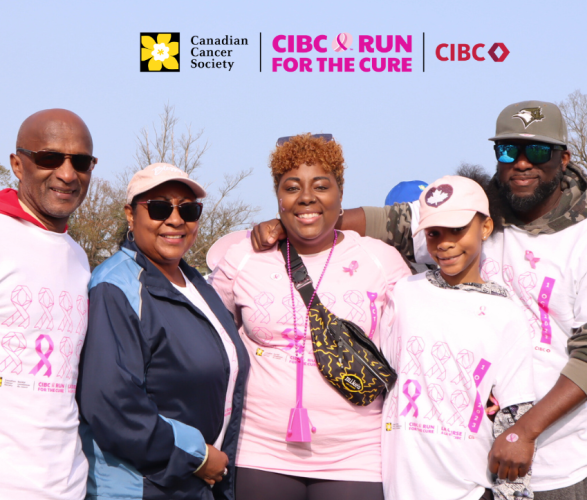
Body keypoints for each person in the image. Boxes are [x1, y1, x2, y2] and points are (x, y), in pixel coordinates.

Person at [251, 101, 587, 499]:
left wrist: (524, 431)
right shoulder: (475, 216)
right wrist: (291, 223)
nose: (522, 163)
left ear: (564, 158)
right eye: (508, 151)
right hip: (476, 465)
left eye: (538, 151)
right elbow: (389, 223)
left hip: (567, 459)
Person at [210, 134, 411, 500]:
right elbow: (203, 336)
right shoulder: (244, 258)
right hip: (260, 451)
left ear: (340, 193)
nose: (306, 197)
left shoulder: (380, 260)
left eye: (321, 185)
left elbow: (419, 339)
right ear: (278, 197)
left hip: (357, 454)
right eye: (291, 187)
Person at [76, 163, 250, 500]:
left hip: (195, 485)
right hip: (143, 487)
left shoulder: (199, 285)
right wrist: (198, 456)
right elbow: (114, 407)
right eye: (158, 208)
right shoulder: (115, 287)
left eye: (188, 209)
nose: (175, 220)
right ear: (131, 214)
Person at [380, 176, 536, 500]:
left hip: (470, 488)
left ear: (486, 227)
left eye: (457, 230)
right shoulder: (404, 293)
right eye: (435, 233)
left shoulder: (506, 313)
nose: (445, 243)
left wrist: (515, 493)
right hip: (398, 488)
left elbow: (514, 414)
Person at [0, 109, 96, 499]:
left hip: (67, 483)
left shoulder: (79, 257)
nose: (67, 174)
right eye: (49, 159)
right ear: (18, 165)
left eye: (81, 162)